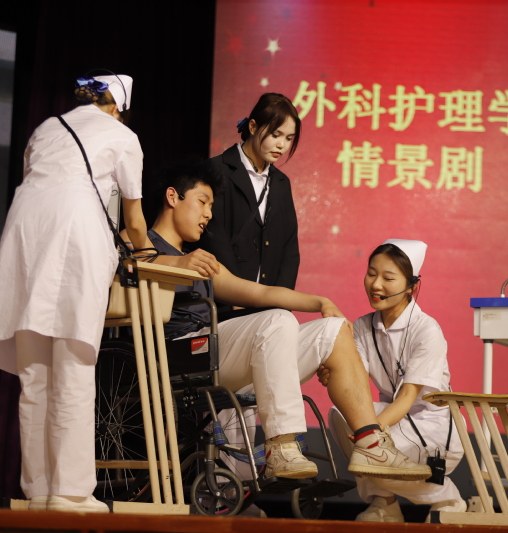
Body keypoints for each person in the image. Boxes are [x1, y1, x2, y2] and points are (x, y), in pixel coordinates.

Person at [131, 161, 432, 484]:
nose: (208, 214)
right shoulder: (141, 241)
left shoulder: (201, 259)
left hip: (216, 357)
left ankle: (370, 443)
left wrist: (320, 302)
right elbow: (125, 266)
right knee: (277, 320)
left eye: (211, 206)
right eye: (203, 202)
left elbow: (259, 292)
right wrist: (178, 263)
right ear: (173, 197)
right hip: (180, 354)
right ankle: (281, 444)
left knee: (332, 330)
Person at [0, 74, 151, 513]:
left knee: (35, 374)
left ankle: (38, 491)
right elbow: (134, 219)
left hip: (25, 235)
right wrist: (148, 255)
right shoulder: (123, 136)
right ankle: (70, 492)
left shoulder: (46, 127)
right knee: (73, 364)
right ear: (118, 107)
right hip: (75, 234)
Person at [319, 240, 467, 523]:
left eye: (388, 278)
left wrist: (370, 434)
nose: (376, 285)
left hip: (432, 430)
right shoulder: (363, 326)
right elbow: (354, 383)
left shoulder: (427, 330)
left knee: (368, 448)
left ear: (411, 286)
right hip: (393, 422)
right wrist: (333, 372)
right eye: (371, 274)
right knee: (342, 415)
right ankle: (385, 503)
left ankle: (448, 498)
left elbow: (407, 398)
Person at [196, 93, 301, 307]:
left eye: (289, 138)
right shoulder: (216, 170)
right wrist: (236, 294)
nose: (281, 145)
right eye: (275, 135)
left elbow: (289, 251)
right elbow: (213, 237)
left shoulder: (281, 183)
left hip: (268, 306)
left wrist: (280, 302)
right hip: (224, 301)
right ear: (253, 126)